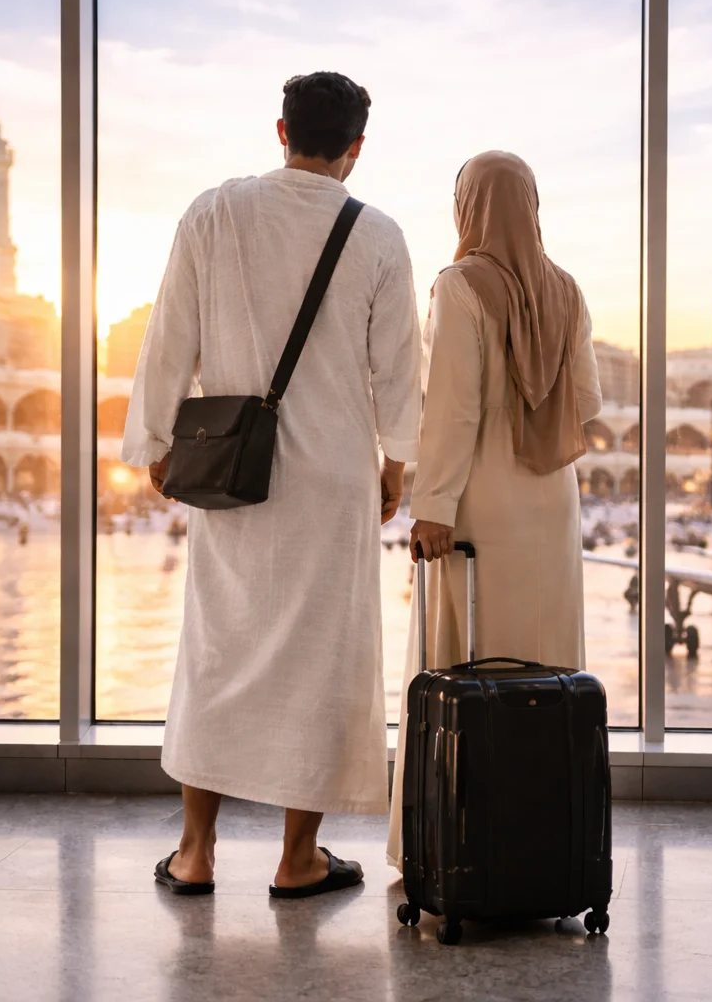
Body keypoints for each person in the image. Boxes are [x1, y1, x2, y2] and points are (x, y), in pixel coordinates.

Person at [121, 72, 421, 898]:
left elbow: (168, 332)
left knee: (218, 648)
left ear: (279, 131)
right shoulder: (378, 235)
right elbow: (399, 374)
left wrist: (154, 441)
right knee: (322, 660)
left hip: (233, 471)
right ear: (356, 149)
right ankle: (297, 860)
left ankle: (195, 852)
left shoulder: (213, 211)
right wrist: (397, 461)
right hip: (332, 477)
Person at [386, 150, 602, 869]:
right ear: (531, 208)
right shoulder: (565, 290)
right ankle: (545, 847)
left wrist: (432, 507)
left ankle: (461, 848)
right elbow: (589, 402)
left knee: (466, 665)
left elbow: (450, 410)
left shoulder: (460, 286)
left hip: (480, 500)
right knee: (548, 674)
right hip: (551, 500)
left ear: (467, 209)